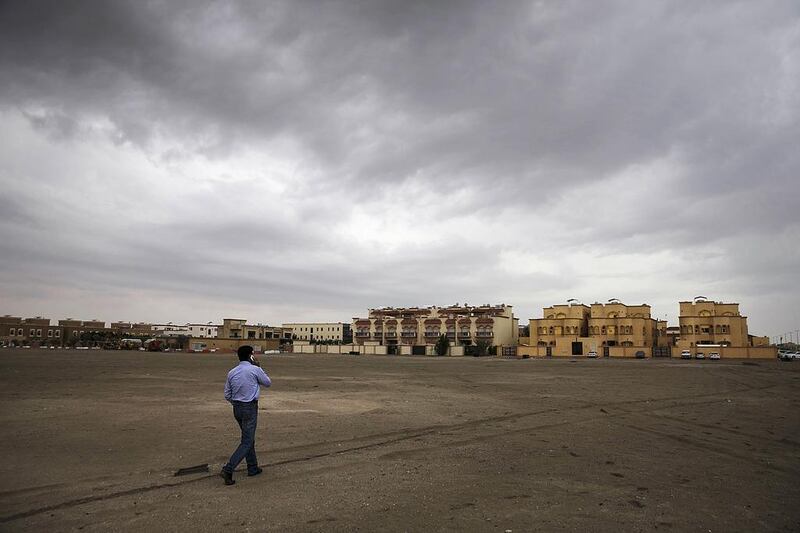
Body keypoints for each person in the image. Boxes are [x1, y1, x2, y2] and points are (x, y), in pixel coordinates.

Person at [221, 345, 272, 485]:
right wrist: (259, 367)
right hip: (249, 407)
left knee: (248, 438)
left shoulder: (232, 372)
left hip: (237, 408)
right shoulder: (255, 370)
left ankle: (253, 467)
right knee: (247, 441)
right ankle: (229, 468)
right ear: (251, 355)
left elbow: (227, 394)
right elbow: (268, 383)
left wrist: (236, 403)